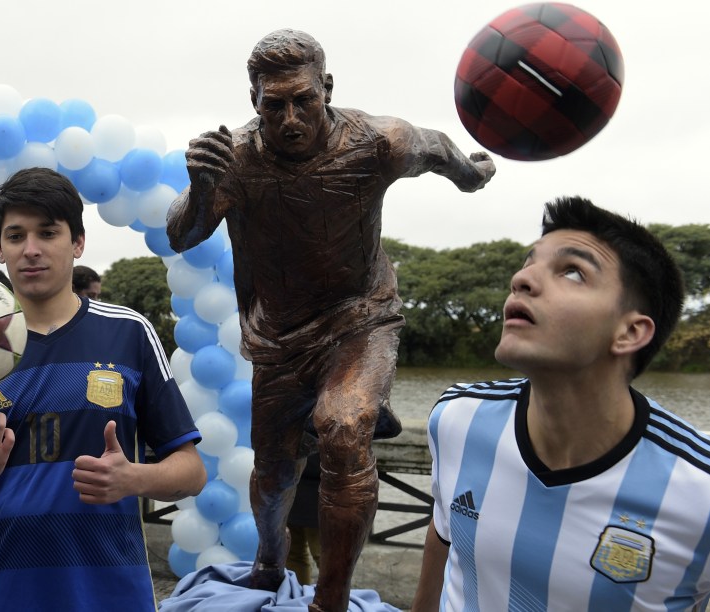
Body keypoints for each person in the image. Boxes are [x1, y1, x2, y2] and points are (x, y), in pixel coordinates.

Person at [166, 28, 495, 611]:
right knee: (272, 474)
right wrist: (200, 188)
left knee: (344, 429)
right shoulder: (236, 159)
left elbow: (438, 147)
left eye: (304, 100)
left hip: (359, 317)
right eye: (273, 105)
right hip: (279, 335)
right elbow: (183, 234)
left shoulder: (378, 142)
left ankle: (332, 598)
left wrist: (471, 173)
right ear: (254, 101)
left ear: (327, 88)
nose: (290, 118)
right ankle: (270, 561)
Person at [0, 167, 207, 611]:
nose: (31, 250)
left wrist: (134, 477)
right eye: (15, 236)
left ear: (77, 242)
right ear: (0, 248)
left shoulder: (129, 333)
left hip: (113, 597)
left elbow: (191, 472)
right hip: (3, 597)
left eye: (48, 232)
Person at [410, 196, 710, 610]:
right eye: (529, 262)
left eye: (572, 272)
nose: (522, 278)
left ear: (630, 332)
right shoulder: (458, 418)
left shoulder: (700, 487)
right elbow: (443, 540)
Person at [285, 452, 321, 585]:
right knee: (293, 552)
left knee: (325, 556)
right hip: (291, 483)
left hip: (326, 488)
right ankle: (298, 597)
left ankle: (332, 602)